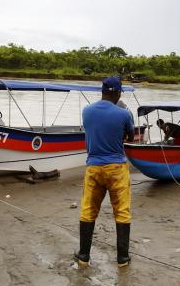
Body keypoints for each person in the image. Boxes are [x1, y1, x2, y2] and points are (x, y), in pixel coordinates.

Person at [74, 77, 135, 268]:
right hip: (117, 168)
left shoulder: (87, 111)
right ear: (117, 93)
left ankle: (84, 256)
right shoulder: (123, 114)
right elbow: (131, 136)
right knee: (122, 212)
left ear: (102, 92)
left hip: (93, 167)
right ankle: (122, 259)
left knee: (88, 211)